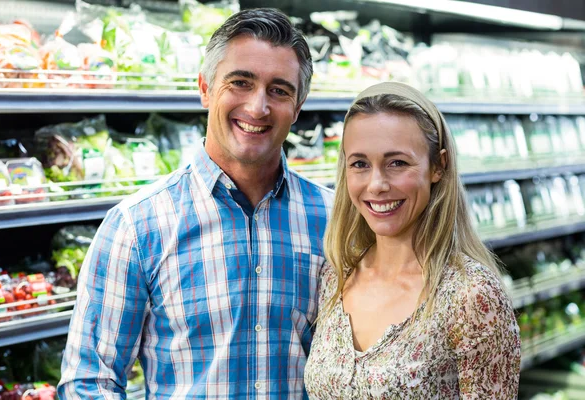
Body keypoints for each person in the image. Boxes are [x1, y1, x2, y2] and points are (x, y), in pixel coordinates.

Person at [58, 8, 333, 399]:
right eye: (240, 82)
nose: (258, 107)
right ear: (205, 88)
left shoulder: (335, 219)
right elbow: (89, 381)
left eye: (280, 90)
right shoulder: (137, 226)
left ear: (298, 105)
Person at [304, 82, 521, 398]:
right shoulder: (336, 277)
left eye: (397, 163)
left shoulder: (471, 296)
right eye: (360, 164)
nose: (377, 185)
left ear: (438, 166)